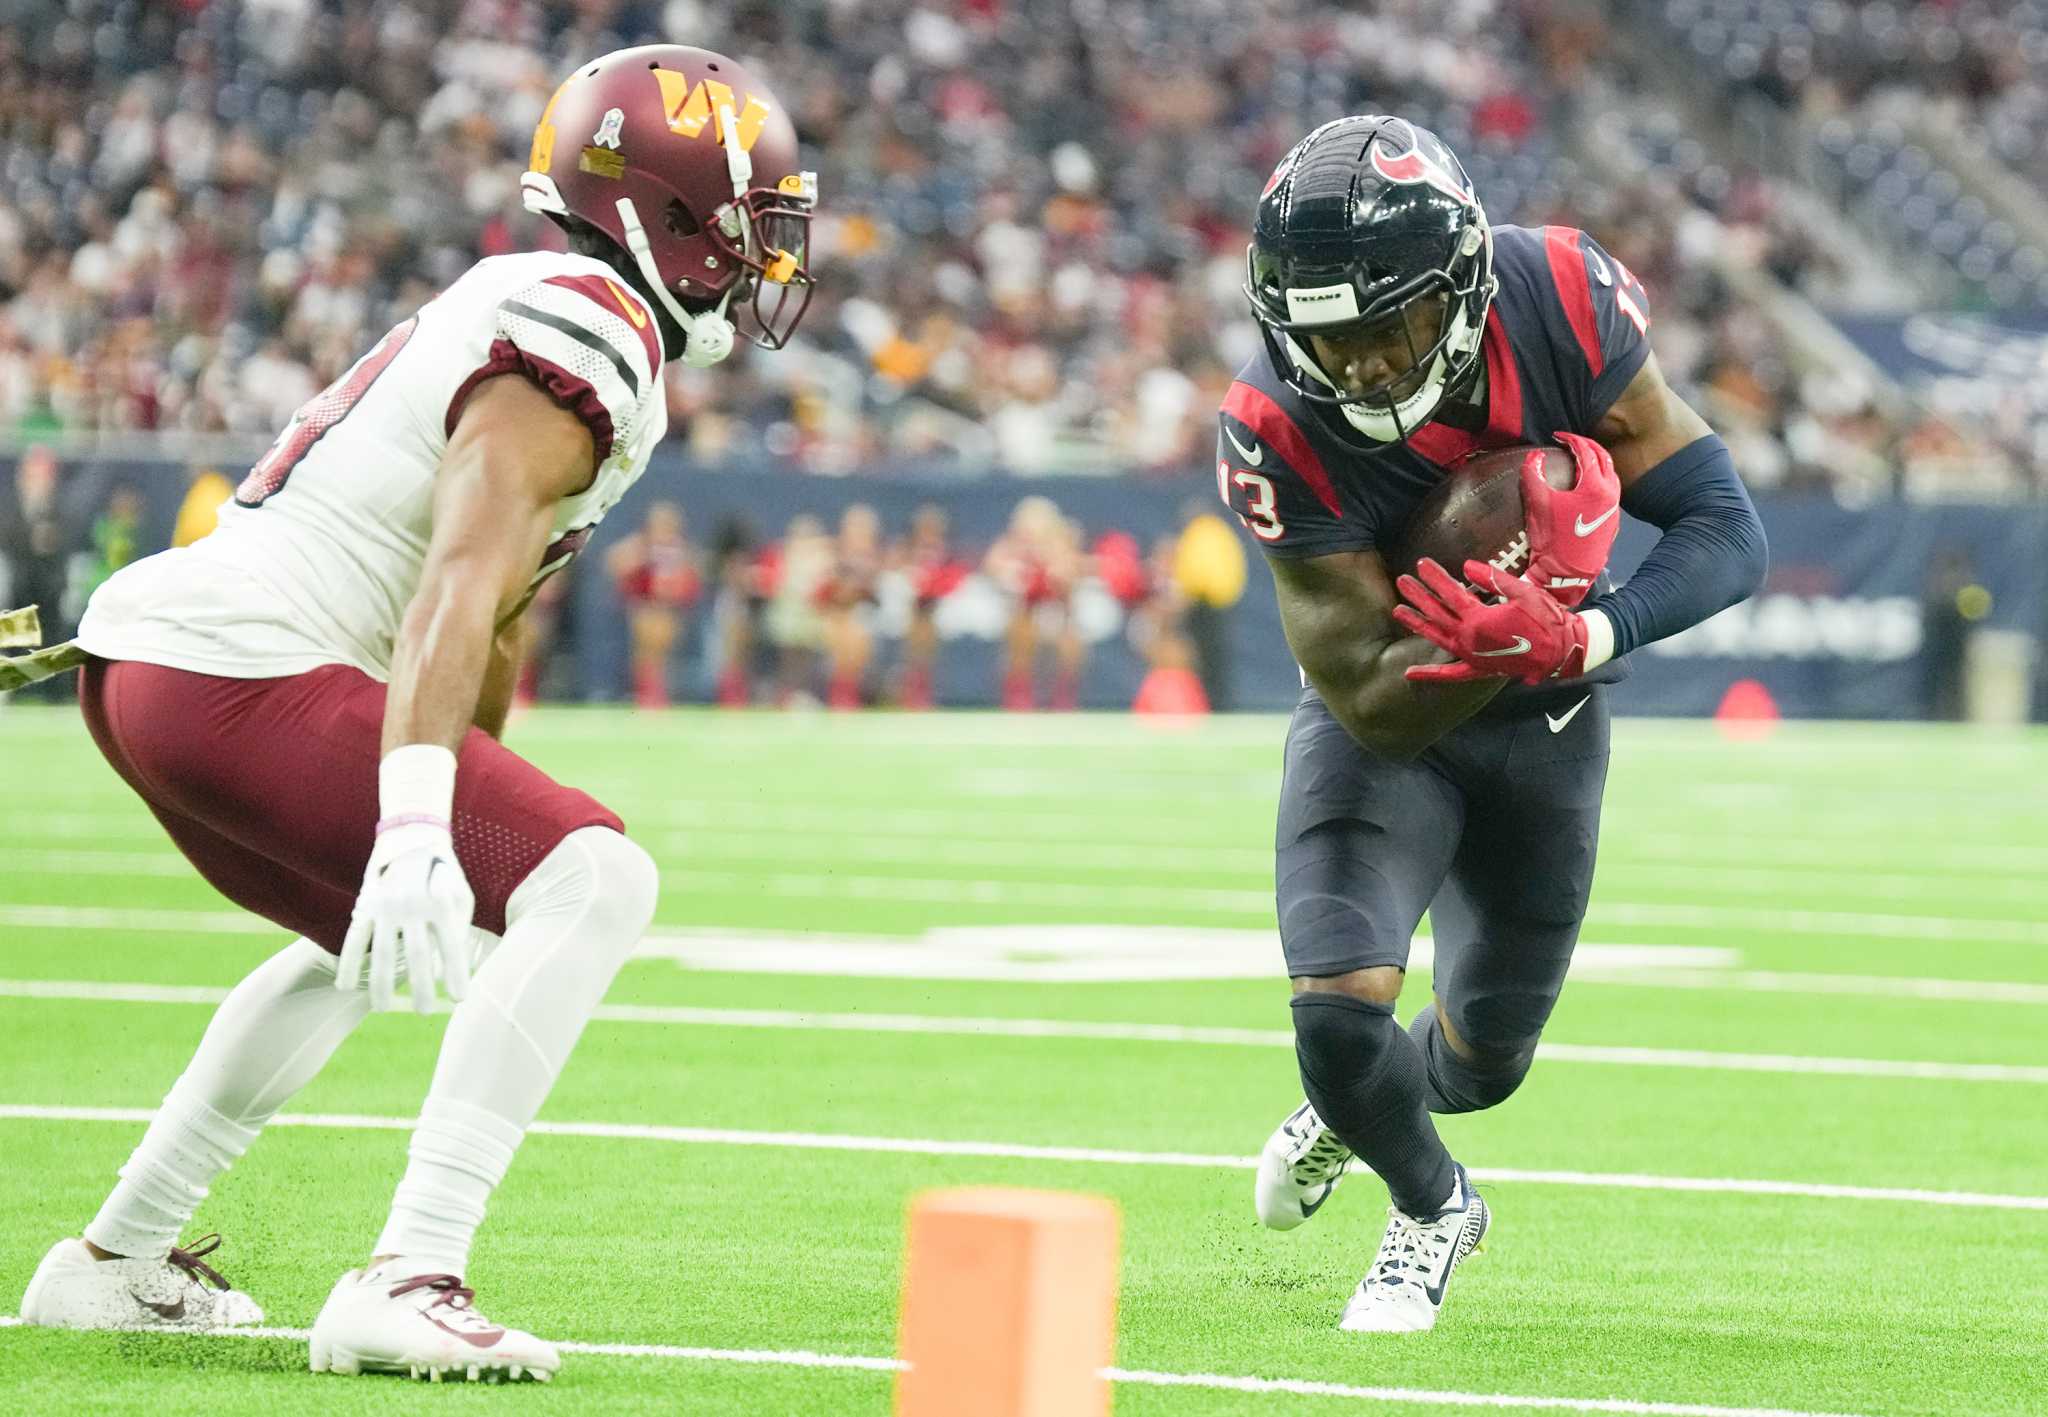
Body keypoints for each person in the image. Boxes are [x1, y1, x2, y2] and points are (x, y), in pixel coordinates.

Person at [18, 44, 817, 1382]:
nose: (764, 260)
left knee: (366, 939)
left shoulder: (553, 303)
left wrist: (452, 821)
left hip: (160, 669)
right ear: (667, 215)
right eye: (748, 228)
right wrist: (414, 819)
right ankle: (413, 1270)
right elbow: (457, 569)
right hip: (241, 667)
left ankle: (116, 1260)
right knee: (600, 885)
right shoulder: (593, 324)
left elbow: (488, 614)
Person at [1220, 116, 1766, 1333]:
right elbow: (1363, 693)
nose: (1354, 367)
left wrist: (1582, 632)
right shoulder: (1271, 425)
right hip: (1389, 721)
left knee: (1479, 1062)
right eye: (1323, 335)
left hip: (1550, 723)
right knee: (1332, 1013)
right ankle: (1430, 1207)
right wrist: (1476, 636)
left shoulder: (1562, 302)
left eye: (1383, 328)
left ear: (1460, 285)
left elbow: (1729, 530)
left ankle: (1363, 1115)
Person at [607, 499, 703, 708]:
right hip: (645, 605)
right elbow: (615, 561)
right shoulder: (641, 544)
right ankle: (646, 693)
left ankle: (660, 693)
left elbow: (694, 573)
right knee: (645, 649)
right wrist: (640, 555)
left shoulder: (681, 547)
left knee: (664, 652)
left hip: (670, 607)